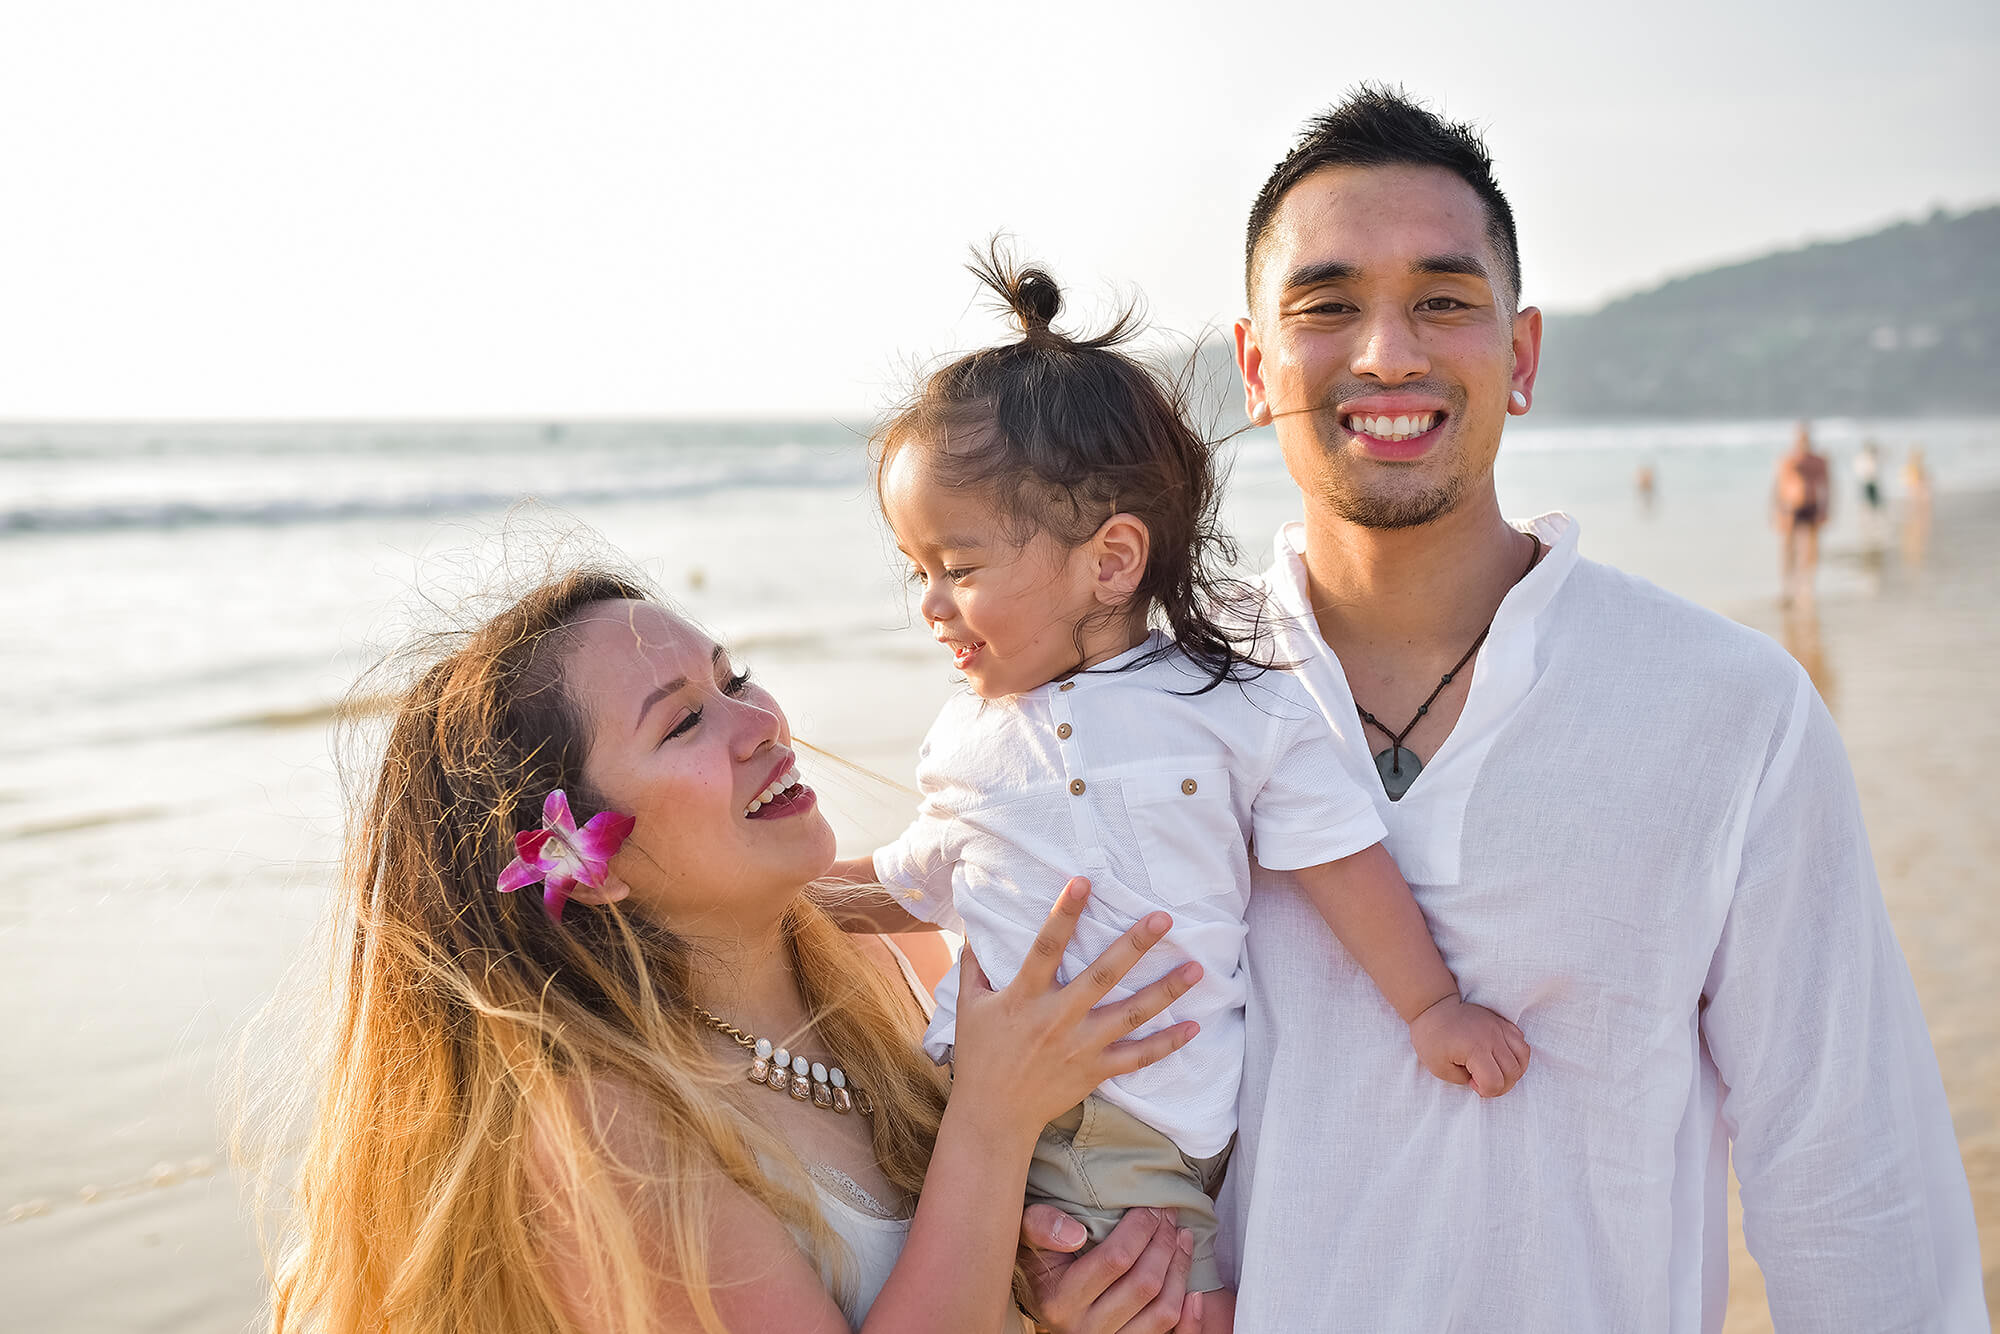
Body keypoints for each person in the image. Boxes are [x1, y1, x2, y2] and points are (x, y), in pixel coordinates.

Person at [1023, 86, 1986, 1333]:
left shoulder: (1727, 707)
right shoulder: (1133, 707)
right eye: (1326, 307)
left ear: (1518, 355)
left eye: (1441, 299)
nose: (1386, 353)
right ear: (1256, 366)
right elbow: (1023, 1067)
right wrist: (1050, 1262)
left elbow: (1852, 1180)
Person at [820, 248, 1529, 1311]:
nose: (928, 604)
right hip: (978, 1107)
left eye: (956, 569)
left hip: (1136, 1122)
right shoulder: (967, 739)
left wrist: (1428, 1005)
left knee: (1155, 1295)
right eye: (916, 570)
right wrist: (777, 898)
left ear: (1109, 561)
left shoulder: (1229, 705)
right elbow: (920, 871)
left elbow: (1335, 852)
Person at [263, 567, 1205, 1334]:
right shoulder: (603, 1128)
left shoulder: (878, 968)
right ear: (584, 865)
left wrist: (1047, 1293)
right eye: (682, 722)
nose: (761, 724)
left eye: (735, 678)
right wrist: (992, 1123)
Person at [1772, 420, 1831, 602]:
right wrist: (1777, 510)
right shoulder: (1788, 460)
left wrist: (1825, 508)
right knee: (1788, 547)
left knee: (1811, 547)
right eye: (1799, 437)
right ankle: (1787, 585)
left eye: (1804, 437)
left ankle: (1807, 584)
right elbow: (1778, 486)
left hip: (1811, 506)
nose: (1802, 440)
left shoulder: (1818, 461)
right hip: (1792, 508)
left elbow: (1827, 486)